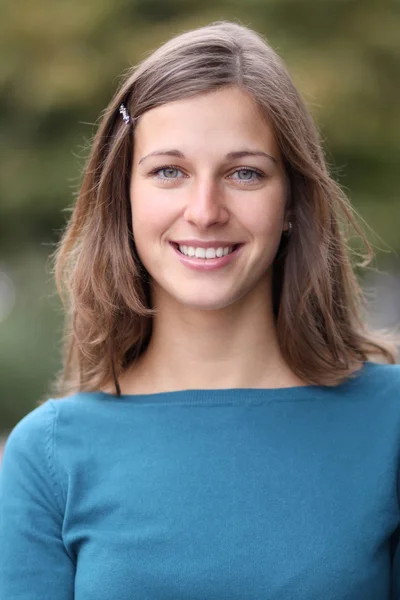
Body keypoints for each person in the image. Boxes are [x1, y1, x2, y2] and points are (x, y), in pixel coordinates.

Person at [0, 19, 399, 600]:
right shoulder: (49, 456)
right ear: (124, 197)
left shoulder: (389, 426)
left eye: (245, 173)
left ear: (290, 200)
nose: (205, 209)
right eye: (169, 172)